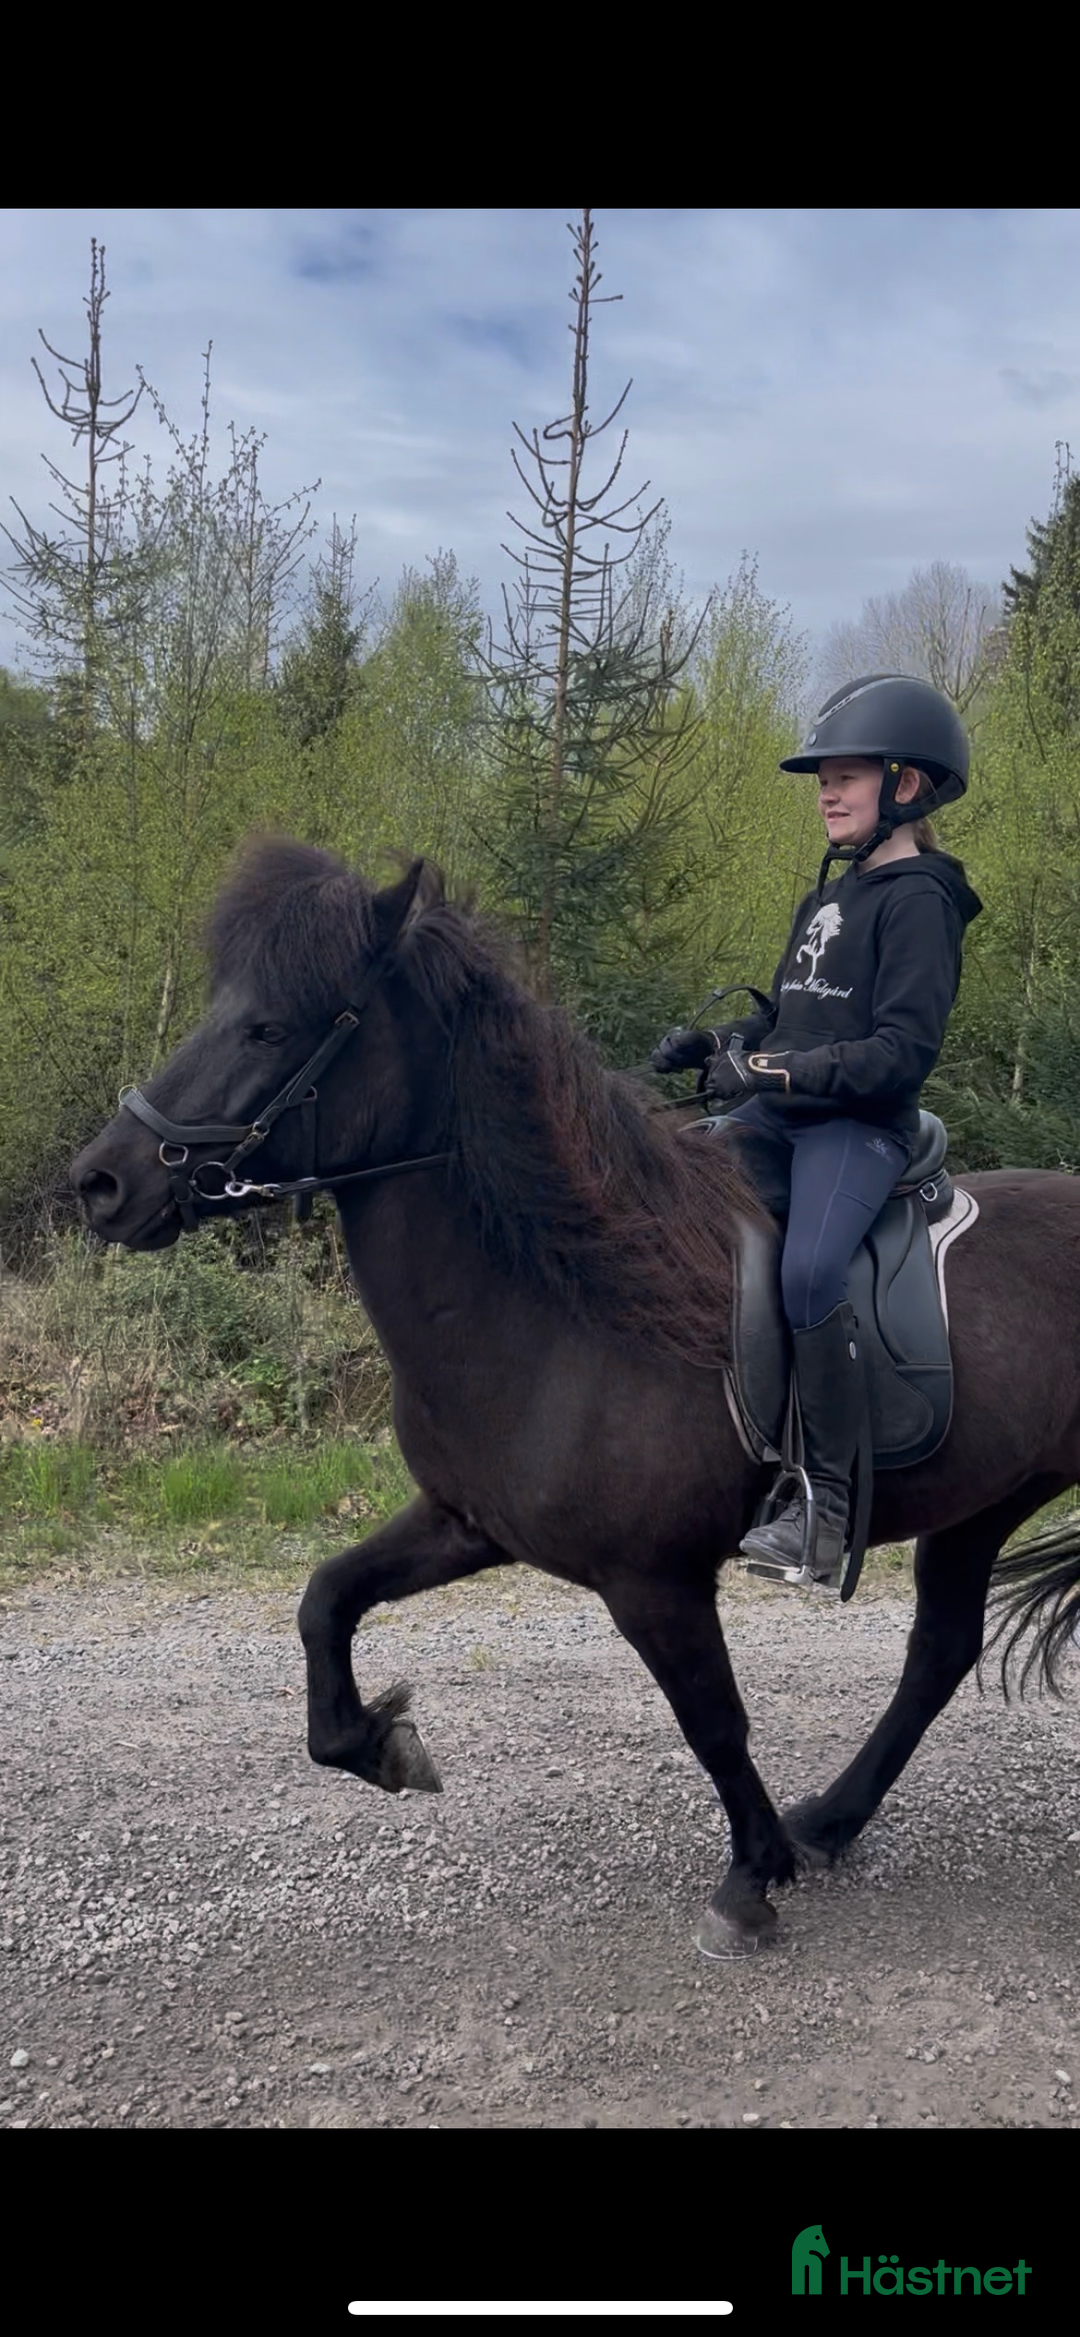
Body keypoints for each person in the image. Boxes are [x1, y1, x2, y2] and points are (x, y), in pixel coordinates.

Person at [652, 673, 983, 1587]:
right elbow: (794, 1026)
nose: (827, 793)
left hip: (859, 1130)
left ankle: (826, 1506)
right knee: (670, 1196)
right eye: (822, 780)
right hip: (780, 1118)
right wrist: (724, 1042)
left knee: (807, 1269)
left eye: (847, 777)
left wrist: (772, 1070)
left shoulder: (923, 900)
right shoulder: (828, 896)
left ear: (906, 785)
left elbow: (897, 1054)